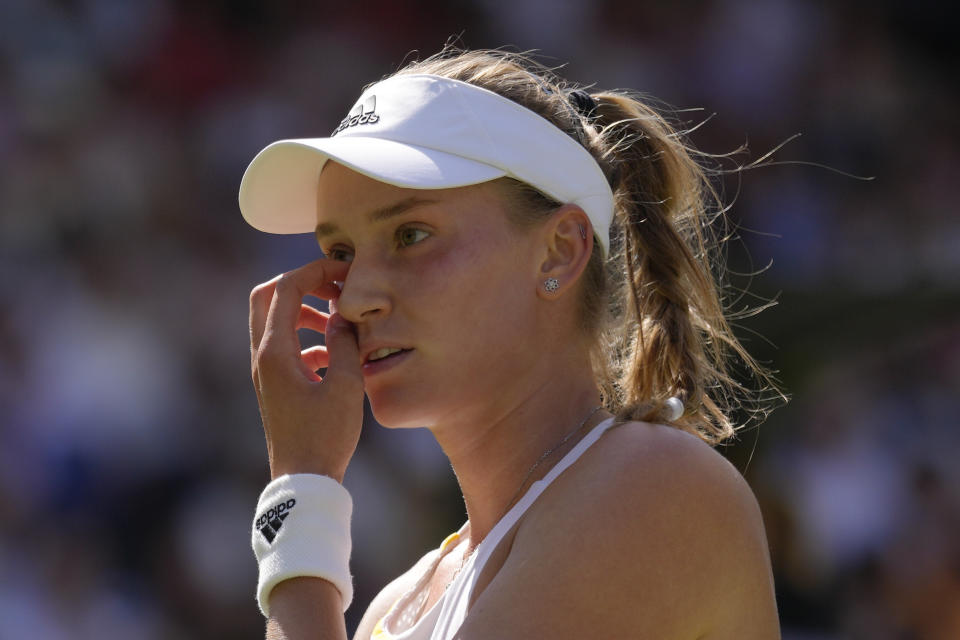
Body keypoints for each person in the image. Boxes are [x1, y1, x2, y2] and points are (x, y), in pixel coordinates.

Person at [240, 48, 782, 639]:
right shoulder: (396, 607)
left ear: (560, 250)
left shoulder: (656, 486)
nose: (352, 299)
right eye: (341, 253)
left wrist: (301, 488)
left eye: (411, 234)